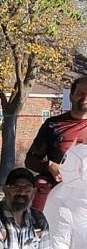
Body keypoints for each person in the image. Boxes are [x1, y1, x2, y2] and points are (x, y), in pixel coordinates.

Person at [24, 74, 87, 212]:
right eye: (80, 93)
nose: (85, 97)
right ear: (71, 96)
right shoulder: (54, 124)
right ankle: (38, 227)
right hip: (58, 187)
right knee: (41, 184)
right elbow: (30, 160)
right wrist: (50, 166)